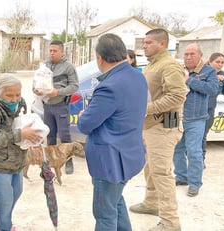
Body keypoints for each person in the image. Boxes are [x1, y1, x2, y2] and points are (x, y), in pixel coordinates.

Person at [77, 33, 148, 231]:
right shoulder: (137, 76)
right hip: (129, 154)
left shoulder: (109, 86)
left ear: (100, 58)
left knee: (105, 214)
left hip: (111, 161)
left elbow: (85, 125)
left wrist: (84, 114)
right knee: (115, 202)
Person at [129, 28, 188, 231]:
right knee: (150, 168)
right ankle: (151, 203)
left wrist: (145, 109)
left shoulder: (170, 66)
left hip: (163, 128)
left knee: (161, 173)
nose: (144, 46)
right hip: (150, 126)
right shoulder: (152, 64)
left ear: (162, 44)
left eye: (148, 43)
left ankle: (171, 222)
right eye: (144, 43)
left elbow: (177, 96)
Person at [0, 74, 43, 231]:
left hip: (16, 162)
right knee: (3, 203)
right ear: (0, 92)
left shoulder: (21, 103)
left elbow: (23, 125)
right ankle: (4, 226)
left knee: (15, 194)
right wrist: (21, 134)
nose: (15, 99)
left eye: (18, 94)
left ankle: (2, 224)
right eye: (10, 95)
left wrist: (31, 138)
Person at [173, 43, 219, 197]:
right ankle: (181, 177)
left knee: (194, 151)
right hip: (175, 116)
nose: (188, 57)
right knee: (176, 149)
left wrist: (190, 81)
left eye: (192, 54)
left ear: (200, 55)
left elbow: (213, 89)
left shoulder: (208, 71)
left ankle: (194, 184)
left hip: (196, 118)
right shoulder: (177, 69)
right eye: (186, 54)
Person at [33, 40, 78, 174]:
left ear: (62, 52)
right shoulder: (44, 67)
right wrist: (36, 90)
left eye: (55, 51)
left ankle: (69, 162)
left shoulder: (68, 67)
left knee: (64, 136)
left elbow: (74, 86)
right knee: (50, 136)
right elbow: (36, 83)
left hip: (61, 106)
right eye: (50, 51)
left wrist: (58, 92)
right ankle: (50, 162)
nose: (51, 53)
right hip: (47, 106)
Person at [202, 53, 224, 164]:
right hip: (196, 109)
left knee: (203, 137)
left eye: (222, 62)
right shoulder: (202, 71)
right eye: (217, 62)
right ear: (210, 61)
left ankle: (200, 161)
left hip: (209, 112)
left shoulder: (223, 75)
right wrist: (213, 78)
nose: (219, 65)